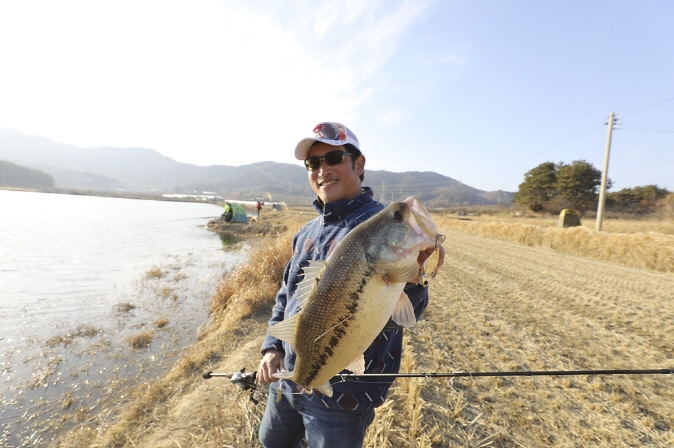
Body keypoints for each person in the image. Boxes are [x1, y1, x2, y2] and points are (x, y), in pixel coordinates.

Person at [257, 122, 445, 448]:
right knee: (271, 441)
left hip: (345, 396)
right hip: (289, 376)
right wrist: (273, 346)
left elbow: (408, 313)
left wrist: (413, 278)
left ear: (359, 165)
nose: (322, 169)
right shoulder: (306, 232)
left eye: (333, 158)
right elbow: (286, 294)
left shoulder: (375, 224)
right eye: (313, 163)